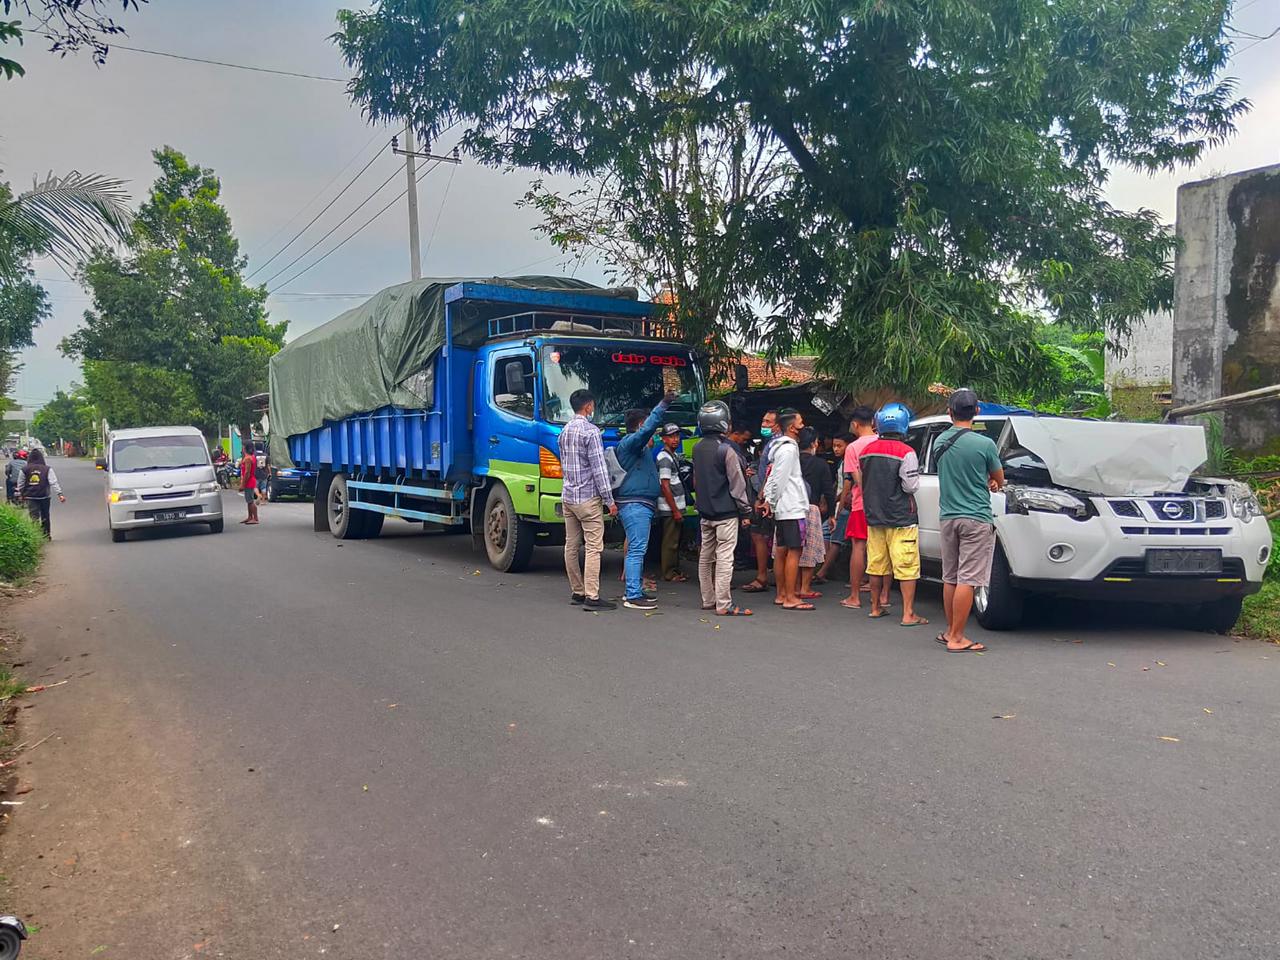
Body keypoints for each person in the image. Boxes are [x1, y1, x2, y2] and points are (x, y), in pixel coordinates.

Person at [935, 389, 1004, 653]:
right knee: (968, 578)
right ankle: (957, 637)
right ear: (977, 412)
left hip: (948, 517)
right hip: (975, 517)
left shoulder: (939, 441)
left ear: (950, 412)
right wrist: (991, 481)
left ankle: (949, 631)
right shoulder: (985, 444)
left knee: (950, 577)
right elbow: (1000, 479)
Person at [859, 402, 927, 626]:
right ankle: (908, 614)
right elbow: (910, 487)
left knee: (876, 564)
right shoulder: (907, 452)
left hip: (874, 516)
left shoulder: (866, 451)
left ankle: (875, 607)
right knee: (906, 565)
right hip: (901, 518)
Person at [557, 389, 618, 611]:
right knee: (593, 547)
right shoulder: (591, 432)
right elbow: (599, 469)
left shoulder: (563, 432)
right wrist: (609, 500)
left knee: (571, 545)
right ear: (589, 406)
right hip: (587, 498)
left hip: (569, 496)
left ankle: (578, 590)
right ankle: (592, 596)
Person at [614, 393, 675, 610]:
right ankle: (632, 594)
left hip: (639, 504)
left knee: (637, 548)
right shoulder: (631, 443)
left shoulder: (639, 449)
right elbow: (648, 430)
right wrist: (664, 404)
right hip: (635, 504)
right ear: (641, 425)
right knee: (637, 549)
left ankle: (635, 591)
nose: (655, 436)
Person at [693, 401, 754, 616]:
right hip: (726, 513)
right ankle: (723, 603)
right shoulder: (725, 450)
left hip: (705, 512)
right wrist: (746, 511)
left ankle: (708, 599)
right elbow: (737, 485)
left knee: (706, 556)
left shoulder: (697, 448)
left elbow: (696, 480)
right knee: (725, 557)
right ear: (724, 424)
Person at [762, 410, 812, 610]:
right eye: (800, 421)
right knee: (794, 551)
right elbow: (779, 479)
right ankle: (790, 596)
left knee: (782, 551)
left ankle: (782, 594)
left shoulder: (780, 448)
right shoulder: (788, 450)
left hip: (784, 507)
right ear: (792, 427)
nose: (803, 425)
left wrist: (769, 500)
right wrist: (771, 501)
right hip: (791, 507)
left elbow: (773, 477)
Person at [841, 406, 889, 610]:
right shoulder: (885, 443)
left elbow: (856, 479)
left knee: (859, 547)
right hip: (886, 504)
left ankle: (854, 596)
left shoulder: (852, 448)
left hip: (862, 504)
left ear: (855, 424)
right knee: (885, 548)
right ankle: (884, 596)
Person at [740, 409, 778, 594]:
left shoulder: (777, 444)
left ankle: (764, 576)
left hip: (769, 497)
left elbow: (771, 473)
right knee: (761, 535)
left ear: (778, 425)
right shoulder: (771, 443)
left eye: (768, 422)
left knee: (761, 536)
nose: (764, 425)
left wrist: (763, 496)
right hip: (766, 496)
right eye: (763, 421)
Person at [796, 426, 834, 600]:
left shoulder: (791, 460)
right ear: (814, 443)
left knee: (791, 549)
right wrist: (832, 514)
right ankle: (805, 587)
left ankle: (792, 586)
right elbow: (828, 490)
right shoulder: (820, 464)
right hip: (811, 508)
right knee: (809, 550)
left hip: (790, 508)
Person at [815, 433, 852, 584]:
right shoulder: (841, 462)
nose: (836, 449)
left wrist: (838, 508)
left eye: (839, 446)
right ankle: (826, 568)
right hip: (839, 503)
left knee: (835, 536)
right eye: (834, 446)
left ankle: (823, 571)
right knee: (829, 533)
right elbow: (838, 485)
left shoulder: (849, 463)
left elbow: (846, 489)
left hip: (845, 505)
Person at [654, 423, 688, 583]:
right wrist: (675, 510)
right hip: (669, 507)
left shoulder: (671, 455)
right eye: (671, 436)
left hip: (675, 505)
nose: (675, 439)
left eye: (677, 436)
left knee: (675, 540)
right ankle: (669, 573)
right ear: (663, 439)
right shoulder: (664, 458)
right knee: (670, 541)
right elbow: (665, 485)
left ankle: (674, 570)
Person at [18, 448, 64, 539]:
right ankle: (46, 535)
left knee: (34, 517)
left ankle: (35, 536)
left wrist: (22, 494)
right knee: (45, 515)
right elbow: (53, 482)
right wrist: (60, 494)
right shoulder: (47, 469)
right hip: (44, 496)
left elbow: (21, 484)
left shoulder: (24, 469)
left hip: (31, 496)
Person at [239, 443, 260, 525]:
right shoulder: (252, 457)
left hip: (249, 481)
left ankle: (255, 518)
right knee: (248, 500)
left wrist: (243, 484)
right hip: (250, 480)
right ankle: (250, 516)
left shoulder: (247, 459)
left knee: (250, 501)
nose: (242, 449)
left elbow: (247, 472)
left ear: (245, 449)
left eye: (243, 447)